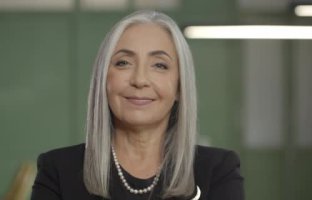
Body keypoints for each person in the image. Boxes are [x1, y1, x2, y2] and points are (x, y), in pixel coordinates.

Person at [31, 10, 244, 200]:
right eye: (123, 63)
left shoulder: (217, 170)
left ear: (180, 86)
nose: (140, 80)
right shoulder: (57, 170)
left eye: (159, 65)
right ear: (104, 79)